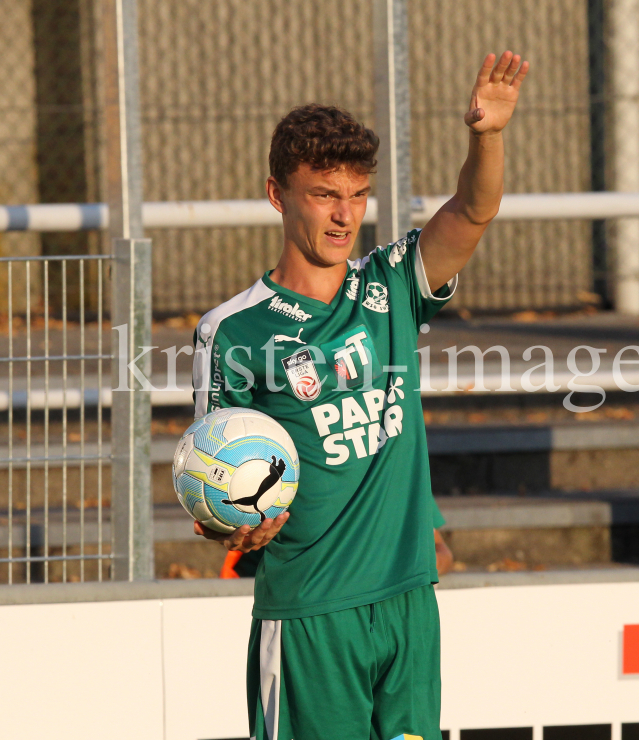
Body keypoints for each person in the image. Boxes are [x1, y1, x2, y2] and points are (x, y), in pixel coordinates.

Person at [189, 51, 528, 740]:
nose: (345, 216)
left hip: (405, 602)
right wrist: (231, 525)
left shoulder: (391, 283)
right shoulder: (232, 331)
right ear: (278, 194)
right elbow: (213, 475)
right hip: (312, 610)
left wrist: (486, 137)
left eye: (357, 195)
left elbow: (473, 209)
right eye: (324, 194)